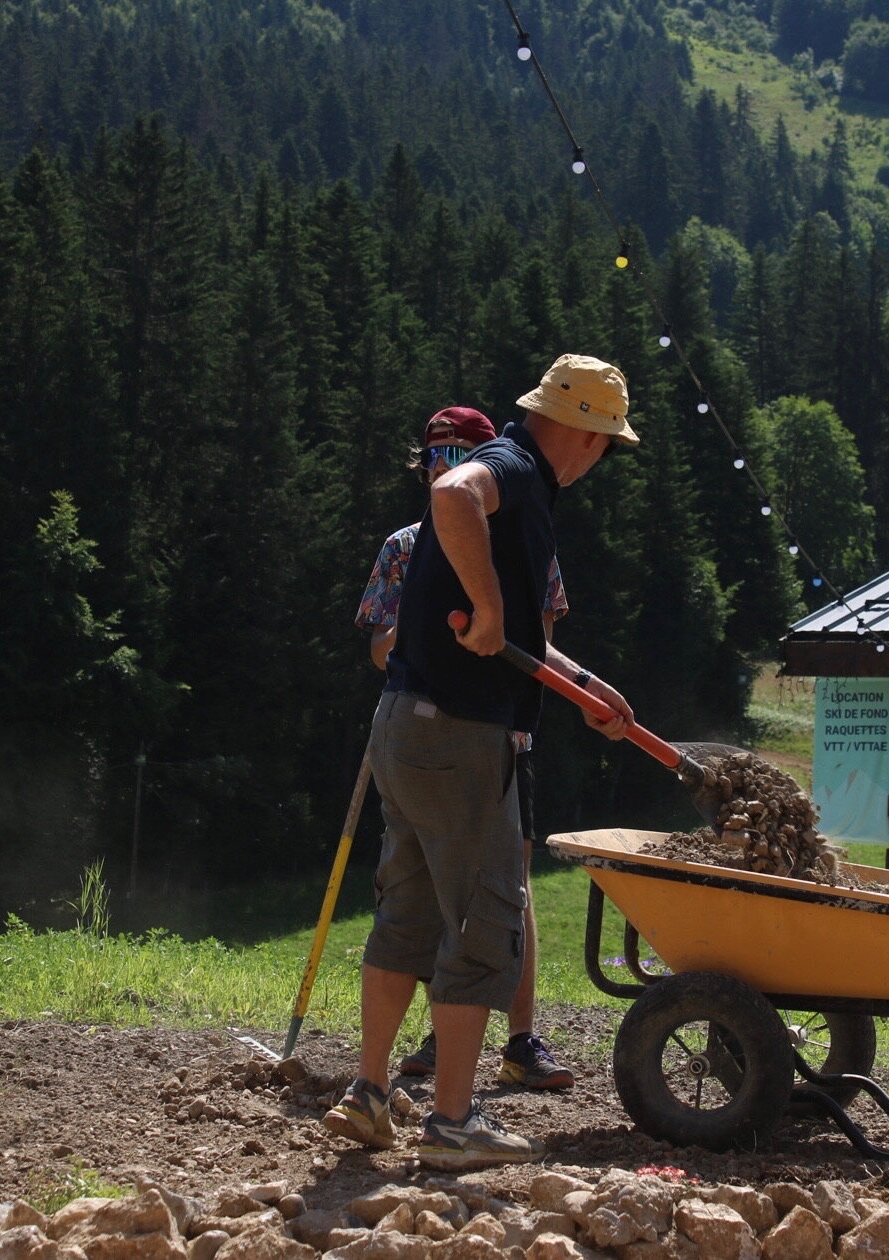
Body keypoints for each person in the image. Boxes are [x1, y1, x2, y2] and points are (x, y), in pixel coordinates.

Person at [323, 354, 638, 1170]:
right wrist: (492, 604)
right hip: (458, 736)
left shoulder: (523, 484)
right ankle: (455, 1123)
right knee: (486, 918)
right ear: (575, 428)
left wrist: (590, 690)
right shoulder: (513, 468)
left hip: (406, 722)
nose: (599, 457)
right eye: (602, 440)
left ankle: (367, 1095)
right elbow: (450, 492)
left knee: (412, 910)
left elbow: (524, 647)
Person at [352, 405, 575, 1092]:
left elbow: (532, 643)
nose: (446, 470)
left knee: (501, 890)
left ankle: (518, 1036)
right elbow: (379, 646)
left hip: (500, 732)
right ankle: (444, 1098)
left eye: (460, 456)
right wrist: (427, 624)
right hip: (432, 722)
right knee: (436, 902)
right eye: (435, 458)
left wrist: (589, 688)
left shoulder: (518, 532)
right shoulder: (402, 547)